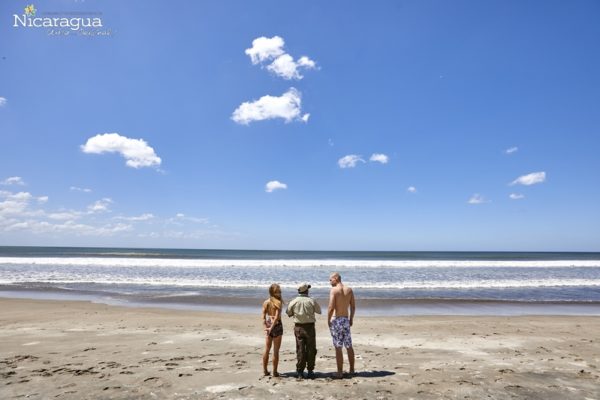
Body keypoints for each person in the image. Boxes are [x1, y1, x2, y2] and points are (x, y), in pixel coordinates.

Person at [286, 283, 321, 379]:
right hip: (310, 327)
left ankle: (300, 371)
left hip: (298, 327)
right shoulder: (311, 300)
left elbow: (288, 312)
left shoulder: (293, 301)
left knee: (300, 349)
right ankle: (310, 370)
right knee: (311, 349)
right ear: (306, 291)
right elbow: (319, 311)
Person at [328, 272, 355, 378]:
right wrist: (351, 318)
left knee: (338, 347)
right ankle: (352, 370)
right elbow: (353, 306)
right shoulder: (349, 289)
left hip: (337, 320)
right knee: (349, 345)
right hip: (345, 320)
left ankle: (340, 372)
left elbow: (331, 307)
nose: (329, 282)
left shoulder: (334, 290)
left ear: (336, 278)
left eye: (330, 280)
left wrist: (328, 320)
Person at [261, 283, 284, 377]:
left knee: (267, 349)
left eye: (279, 291)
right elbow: (277, 317)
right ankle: (274, 372)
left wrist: (266, 326)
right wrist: (271, 327)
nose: (279, 293)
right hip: (276, 326)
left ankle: (265, 370)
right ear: (274, 292)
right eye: (278, 292)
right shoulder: (278, 302)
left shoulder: (266, 302)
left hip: (269, 324)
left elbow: (263, 316)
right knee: (275, 350)